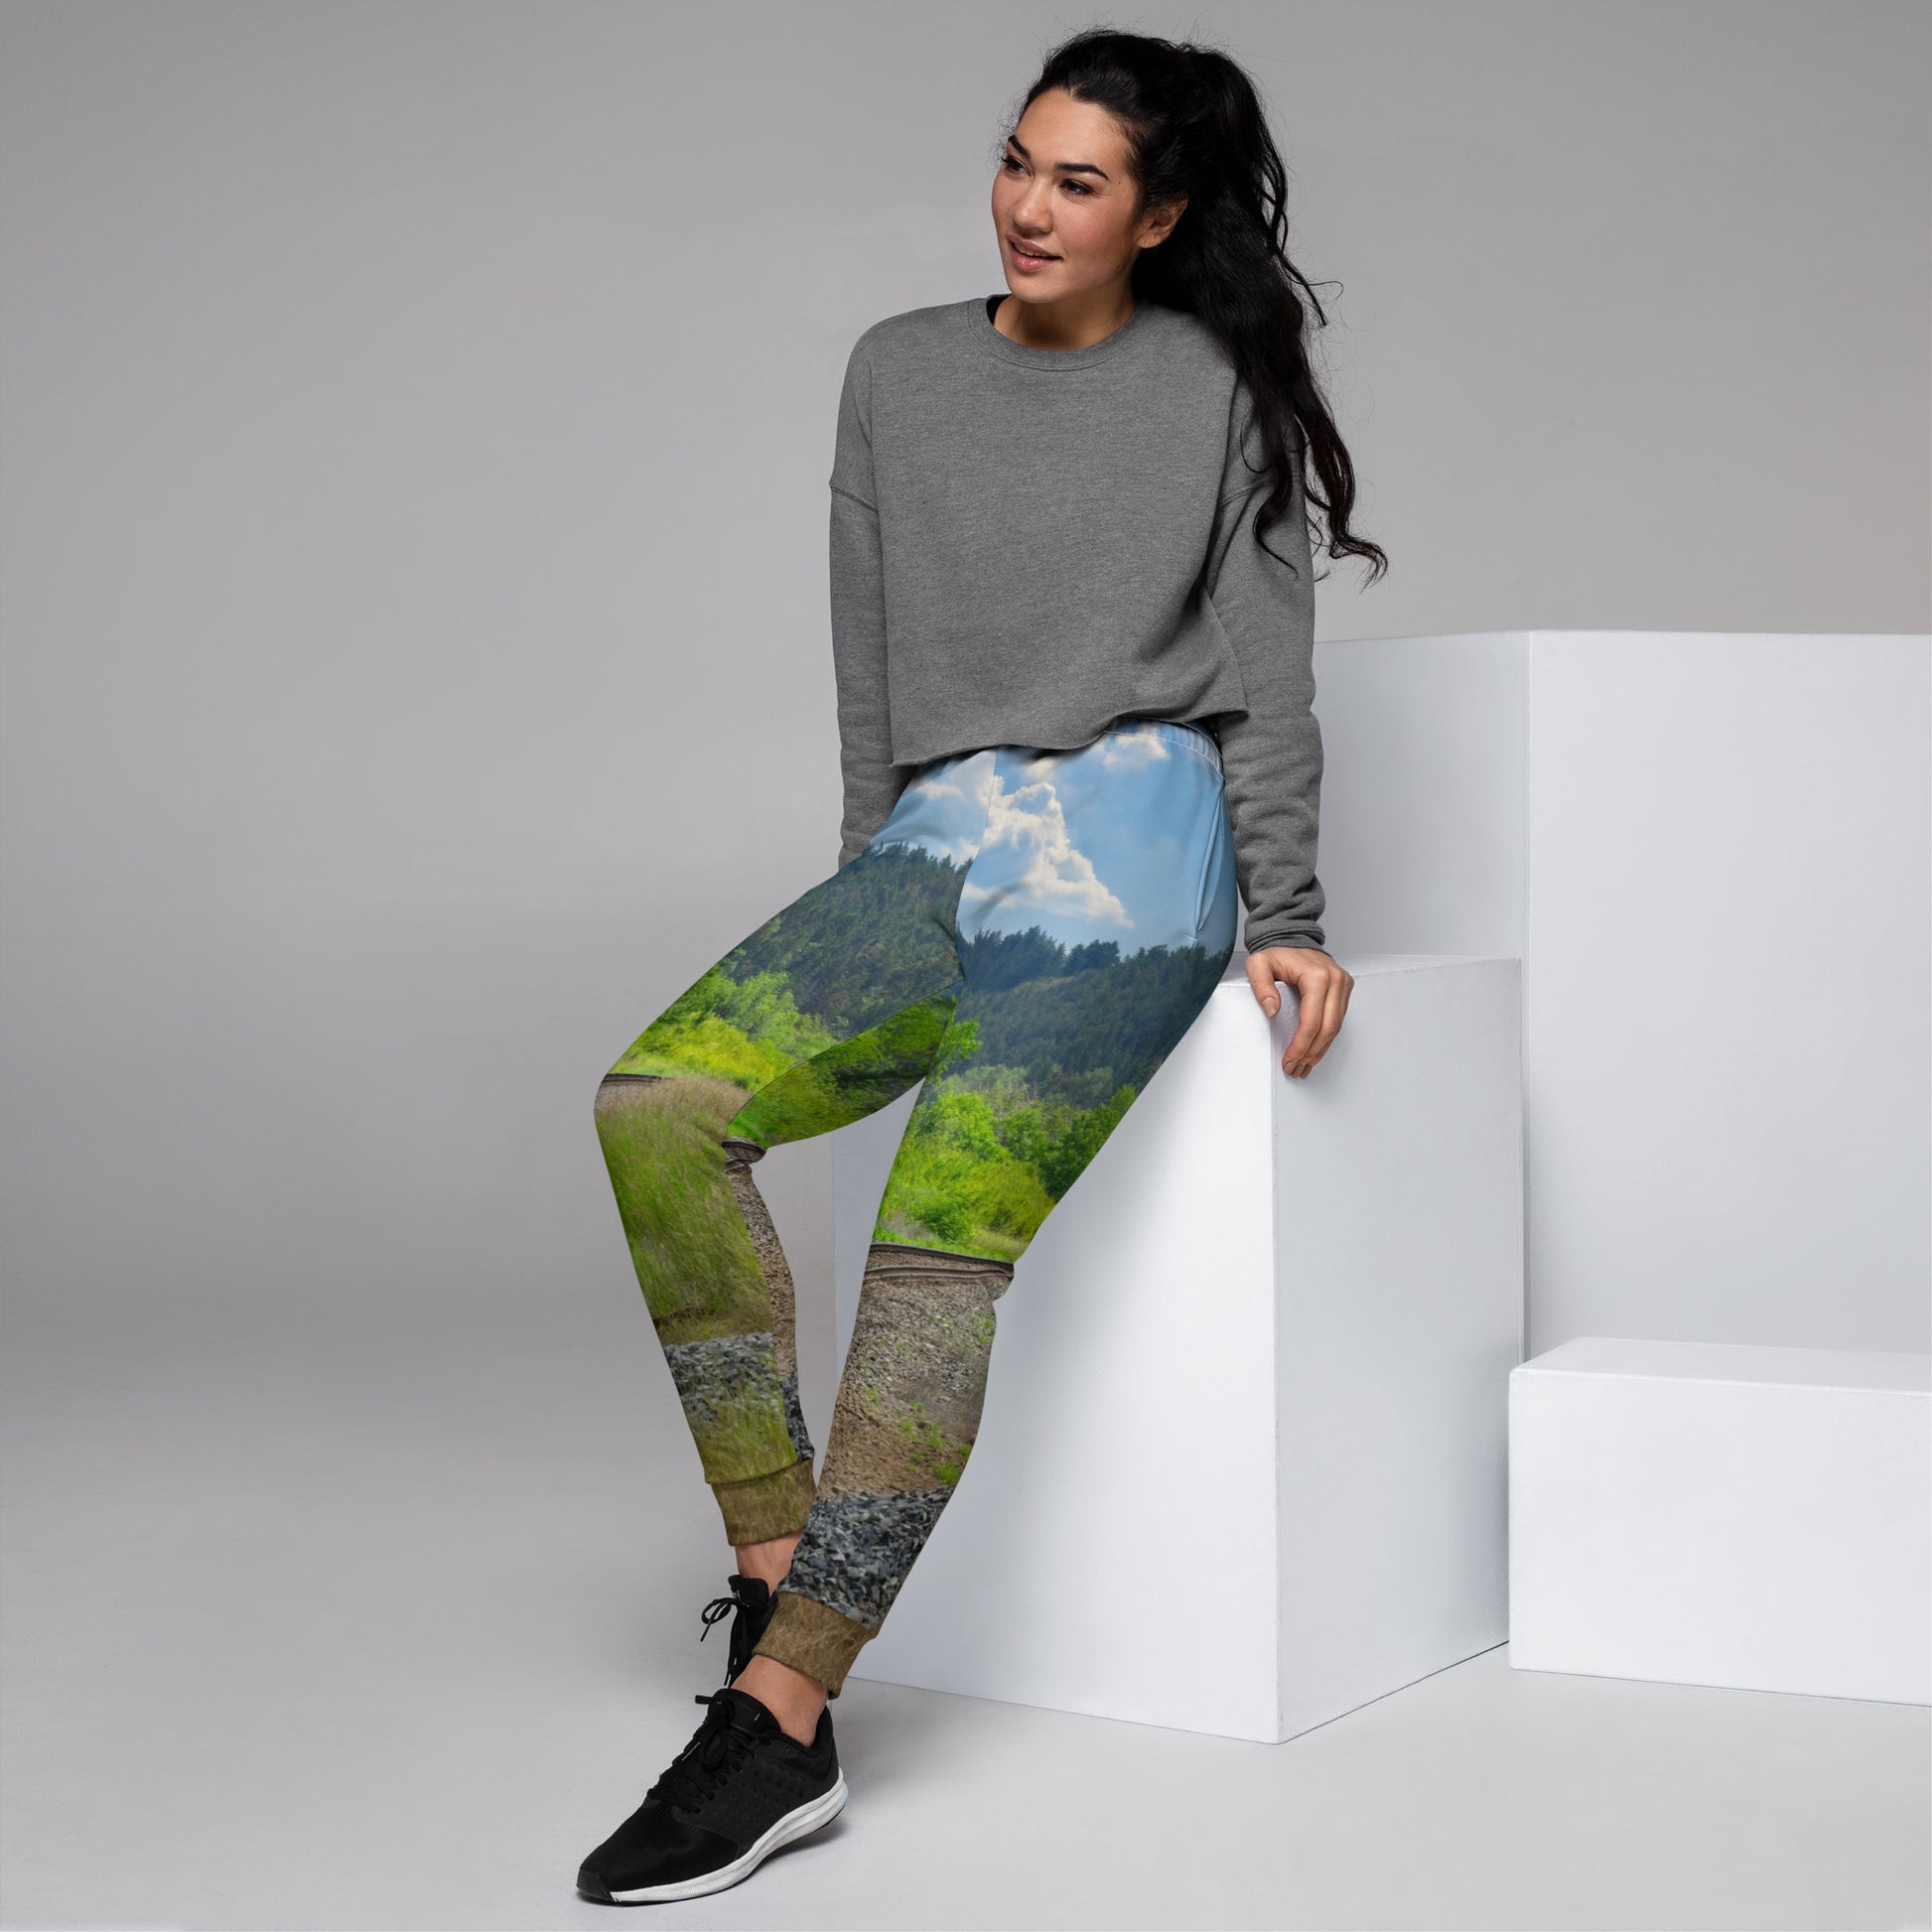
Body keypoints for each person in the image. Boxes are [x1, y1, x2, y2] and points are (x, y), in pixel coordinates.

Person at [574, 25, 1384, 1906]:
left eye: (1077, 181)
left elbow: (1266, 687)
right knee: (656, 1108)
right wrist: (869, 871)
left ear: (1156, 217)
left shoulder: (1219, 390)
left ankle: (779, 1722)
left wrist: (1285, 915)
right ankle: (781, 1578)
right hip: (939, 847)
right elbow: (869, 657)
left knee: (937, 1234)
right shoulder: (899, 368)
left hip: (1135, 860)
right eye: (1017, 160)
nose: (1026, 204)